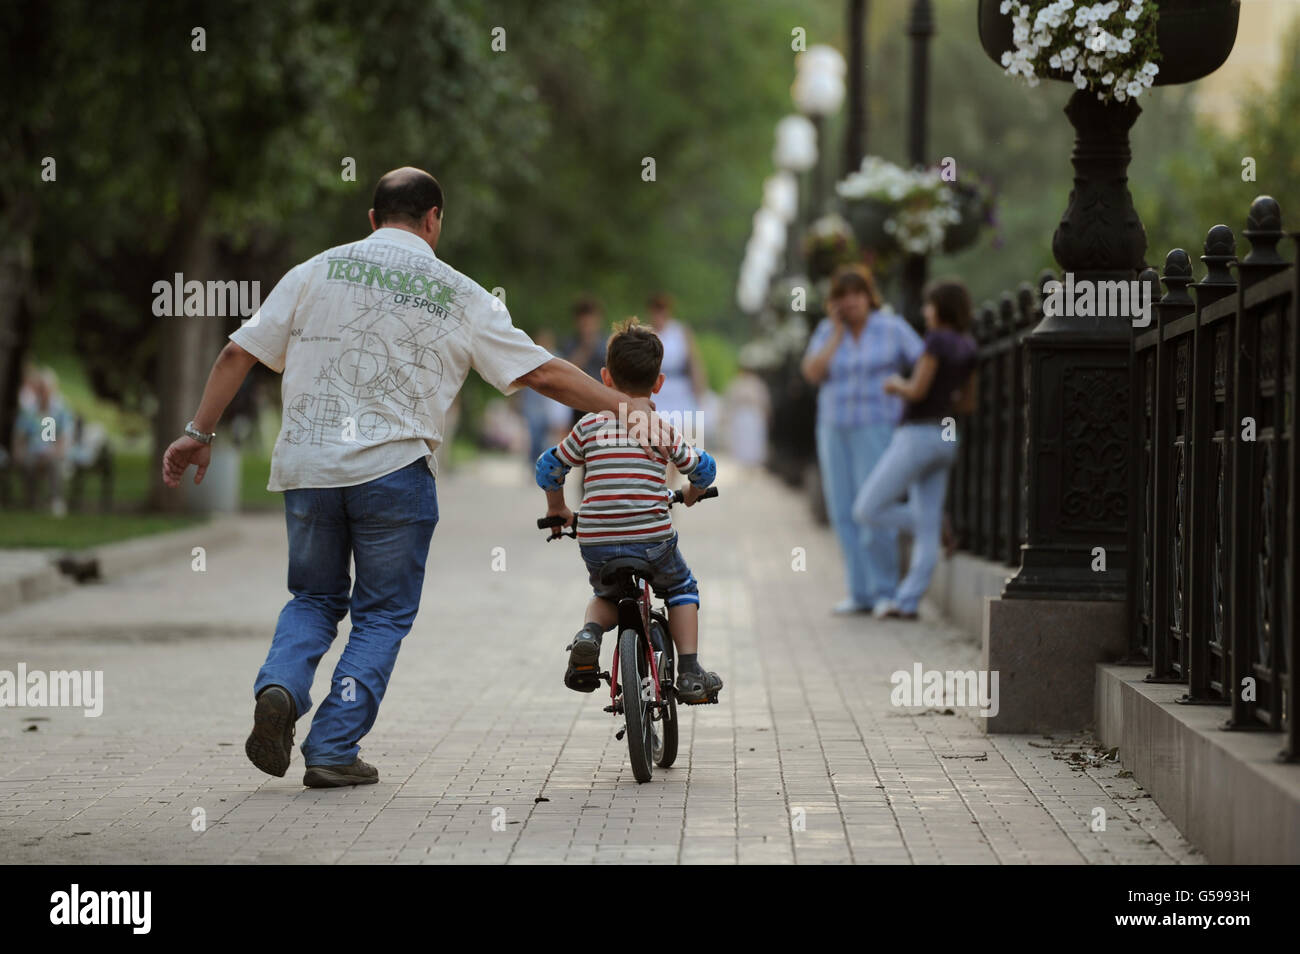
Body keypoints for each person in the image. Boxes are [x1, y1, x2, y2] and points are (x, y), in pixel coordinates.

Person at [161, 166, 665, 788]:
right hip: (393, 472)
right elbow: (541, 373)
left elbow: (239, 351)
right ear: (434, 221)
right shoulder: (460, 293)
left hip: (309, 468)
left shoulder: (314, 270)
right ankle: (332, 748)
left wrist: (199, 433)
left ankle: (282, 690)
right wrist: (622, 406)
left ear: (372, 220)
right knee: (379, 615)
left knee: (313, 598)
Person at [535, 318, 722, 704]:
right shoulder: (661, 429)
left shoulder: (589, 427)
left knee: (605, 595)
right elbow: (704, 468)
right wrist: (690, 493)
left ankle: (588, 635)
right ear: (659, 384)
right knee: (682, 587)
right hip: (653, 540)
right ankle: (688, 671)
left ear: (604, 377)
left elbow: (548, 467)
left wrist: (559, 509)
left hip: (597, 541)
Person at [851, 278, 978, 620]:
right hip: (948, 436)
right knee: (925, 526)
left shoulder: (936, 340)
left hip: (918, 434)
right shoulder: (968, 346)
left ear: (940, 308)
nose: (924, 311)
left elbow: (917, 389)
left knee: (867, 508)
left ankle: (934, 527)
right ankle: (907, 602)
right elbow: (968, 401)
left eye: (928, 305)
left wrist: (895, 385)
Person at [801, 265, 924, 616]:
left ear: (869, 295)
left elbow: (923, 361)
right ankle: (860, 592)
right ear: (834, 302)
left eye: (857, 293)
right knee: (842, 509)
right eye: (843, 295)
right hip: (834, 426)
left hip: (877, 426)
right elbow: (811, 372)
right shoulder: (827, 330)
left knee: (874, 506)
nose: (851, 301)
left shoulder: (892, 327)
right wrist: (837, 334)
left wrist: (907, 393)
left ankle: (885, 589)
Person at [559, 297, 607, 427]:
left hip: (603, 403)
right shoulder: (570, 344)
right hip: (577, 403)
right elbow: (567, 370)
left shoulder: (607, 343)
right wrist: (586, 346)